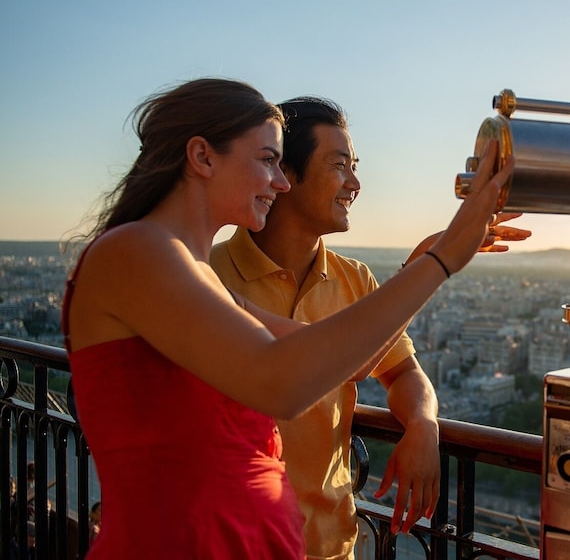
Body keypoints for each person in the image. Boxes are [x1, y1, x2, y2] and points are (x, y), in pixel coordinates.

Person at [61, 77, 513, 559]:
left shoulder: (191, 273)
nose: (279, 182)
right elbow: (281, 381)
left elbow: (333, 358)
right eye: (267, 161)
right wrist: (440, 260)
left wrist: (422, 268)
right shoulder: (138, 252)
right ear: (203, 157)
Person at [211, 96, 528, 559]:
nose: (355, 183)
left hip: (330, 542)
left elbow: (400, 371)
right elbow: (342, 362)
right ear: (284, 175)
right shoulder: (207, 278)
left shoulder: (354, 279)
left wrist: (422, 421)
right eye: (339, 166)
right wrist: (427, 267)